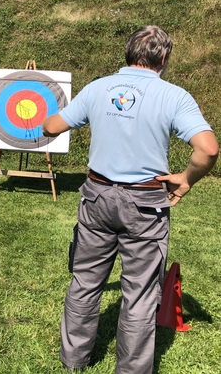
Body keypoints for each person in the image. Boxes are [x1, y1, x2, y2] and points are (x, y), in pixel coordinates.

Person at [42, 25, 218, 373]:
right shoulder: (174, 96)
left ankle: (73, 360)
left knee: (85, 281)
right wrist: (185, 180)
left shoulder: (98, 87)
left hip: (97, 196)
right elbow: (208, 150)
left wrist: (43, 116)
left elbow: (52, 127)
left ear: (128, 52)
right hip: (145, 204)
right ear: (163, 57)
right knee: (139, 294)